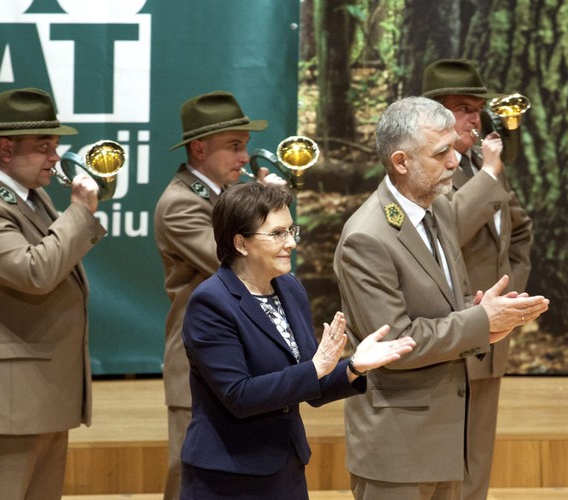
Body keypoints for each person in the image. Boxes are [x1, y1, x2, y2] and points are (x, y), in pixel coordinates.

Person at [334, 96, 549, 499]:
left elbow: (451, 308)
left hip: (446, 441)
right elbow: (396, 342)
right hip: (398, 451)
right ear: (401, 162)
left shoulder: (439, 211)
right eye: (441, 152)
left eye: (453, 147)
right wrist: (481, 322)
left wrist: (486, 319)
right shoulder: (366, 237)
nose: (455, 161)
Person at [179, 182, 416, 499]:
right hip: (229, 475)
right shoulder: (211, 303)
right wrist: (317, 368)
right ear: (241, 243)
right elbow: (239, 395)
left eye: (291, 231)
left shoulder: (289, 288)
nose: (290, 242)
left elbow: (311, 383)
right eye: (277, 234)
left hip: (286, 467)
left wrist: (354, 367)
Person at [0, 87, 104, 500]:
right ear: (6, 149)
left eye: (56, 144)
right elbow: (36, 272)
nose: (55, 156)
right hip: (6, 400)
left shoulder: (30, 195)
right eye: (43, 147)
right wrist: (80, 212)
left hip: (38, 392)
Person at [153, 90, 285, 500]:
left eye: (244, 146)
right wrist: (267, 210)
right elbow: (239, 263)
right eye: (233, 147)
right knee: (191, 478)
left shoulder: (225, 200)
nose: (245, 158)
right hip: (201, 363)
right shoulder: (180, 202)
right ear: (198, 148)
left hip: (243, 361)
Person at [422, 58, 534, 500]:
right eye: (464, 108)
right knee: (441, 468)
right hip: (444, 340)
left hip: (488, 336)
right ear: (432, 115)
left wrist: (511, 287)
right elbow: (443, 231)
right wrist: (490, 173)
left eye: (478, 107)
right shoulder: (420, 169)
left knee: (476, 467)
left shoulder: (473, 165)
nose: (476, 118)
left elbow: (519, 228)